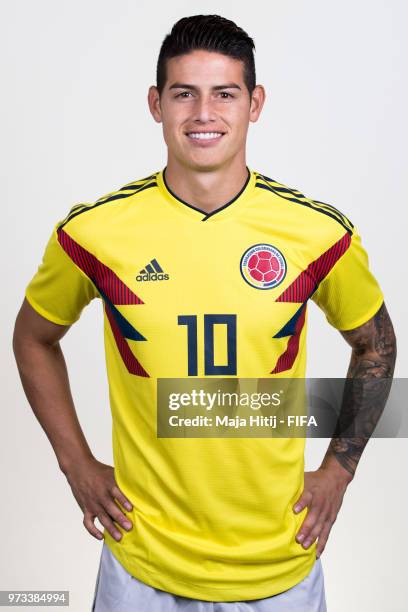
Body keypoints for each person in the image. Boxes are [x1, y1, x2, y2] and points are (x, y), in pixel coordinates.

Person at [13, 13, 397, 612]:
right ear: (155, 103)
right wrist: (77, 465)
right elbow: (33, 338)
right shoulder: (93, 233)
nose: (202, 114)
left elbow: (377, 345)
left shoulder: (317, 234)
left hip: (279, 563)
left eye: (224, 93)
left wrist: (338, 471)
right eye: (183, 93)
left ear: (255, 103)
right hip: (141, 561)